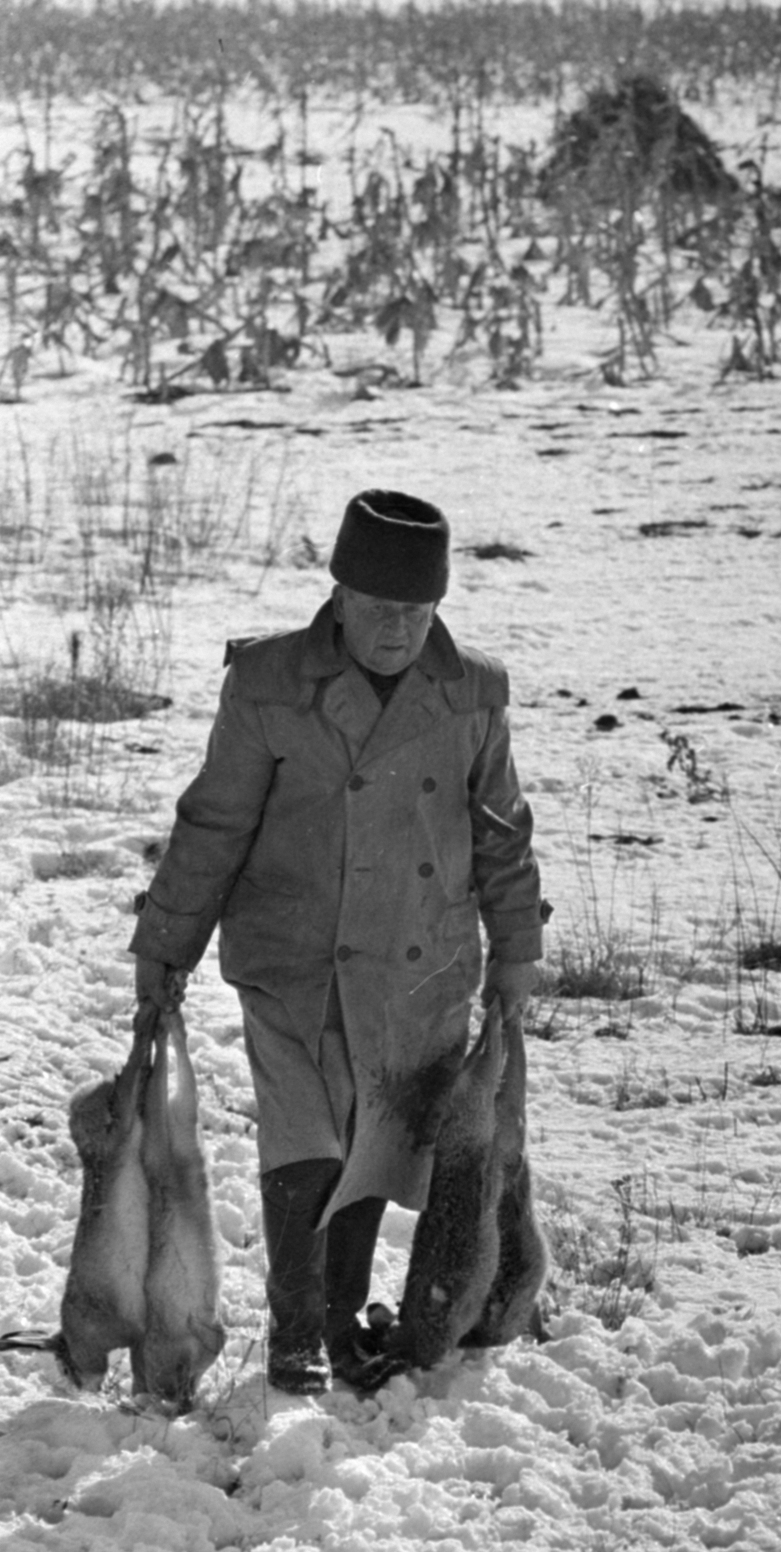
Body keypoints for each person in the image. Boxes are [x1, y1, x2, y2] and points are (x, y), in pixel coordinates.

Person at [131, 489, 545, 1395]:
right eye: (378, 608)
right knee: (305, 1137)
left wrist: (515, 954)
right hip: (294, 960)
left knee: (377, 1136)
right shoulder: (271, 683)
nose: (396, 630)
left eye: (416, 610)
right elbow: (213, 826)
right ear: (339, 593)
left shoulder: (473, 689)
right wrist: (164, 948)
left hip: (419, 958)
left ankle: (342, 1310)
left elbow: (501, 830)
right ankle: (299, 1331)